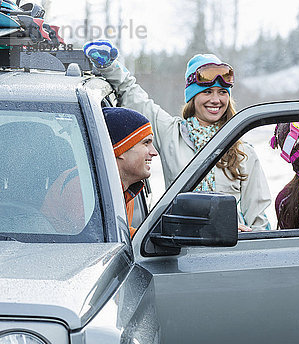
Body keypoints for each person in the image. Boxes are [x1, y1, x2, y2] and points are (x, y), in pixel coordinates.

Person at [83, 40, 271, 231]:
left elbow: (259, 218)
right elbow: (135, 96)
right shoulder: (172, 133)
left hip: (229, 250)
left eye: (222, 92)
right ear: (192, 97)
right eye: (207, 92)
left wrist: (247, 237)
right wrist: (110, 66)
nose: (215, 100)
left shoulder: (243, 151)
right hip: (180, 248)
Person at [103, 107, 158, 237]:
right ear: (120, 149)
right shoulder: (84, 192)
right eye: (146, 143)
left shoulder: (123, 185)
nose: (154, 152)